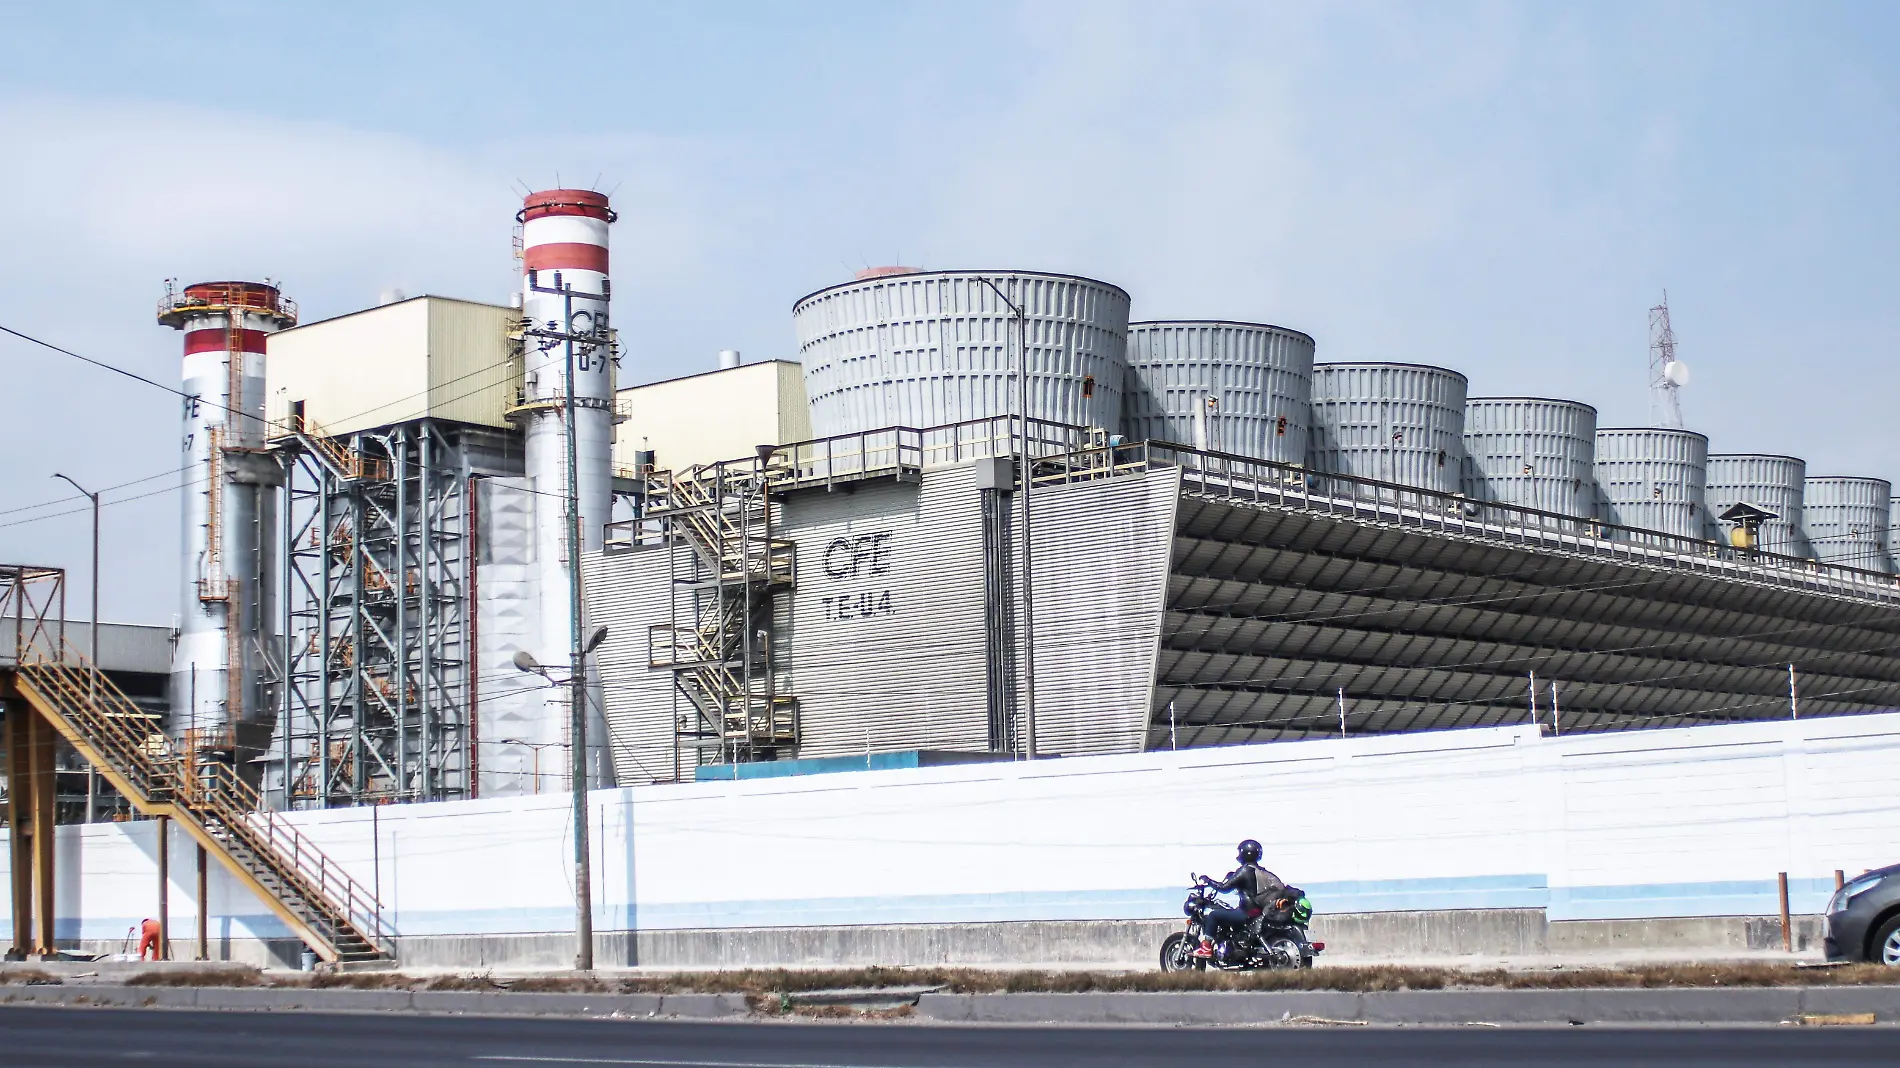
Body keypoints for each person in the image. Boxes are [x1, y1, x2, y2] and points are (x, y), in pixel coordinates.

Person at [1194, 839, 1286, 959]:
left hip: (1246, 912)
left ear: (1245, 853)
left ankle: (1206, 948)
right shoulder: (1260, 871)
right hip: (1258, 911)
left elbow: (1224, 888)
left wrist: (1208, 881)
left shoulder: (1245, 870)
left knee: (1213, 915)